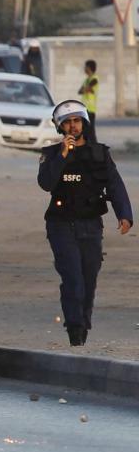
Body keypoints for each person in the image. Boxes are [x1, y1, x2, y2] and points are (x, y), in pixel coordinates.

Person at [38, 100, 132, 346]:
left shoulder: (100, 154)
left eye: (76, 121)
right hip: (61, 225)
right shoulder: (51, 155)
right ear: (60, 126)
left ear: (84, 123)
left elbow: (114, 185)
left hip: (91, 225)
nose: (72, 126)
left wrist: (124, 214)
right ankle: (75, 330)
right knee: (73, 279)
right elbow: (46, 183)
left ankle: (83, 325)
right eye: (67, 122)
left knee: (89, 281)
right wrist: (62, 156)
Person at [78, 60, 99, 126]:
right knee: (86, 131)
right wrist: (86, 89)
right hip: (84, 108)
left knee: (90, 131)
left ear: (89, 68)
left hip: (90, 109)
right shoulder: (86, 80)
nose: (84, 68)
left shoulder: (94, 79)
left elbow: (87, 88)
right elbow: (80, 91)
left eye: (85, 67)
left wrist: (86, 89)